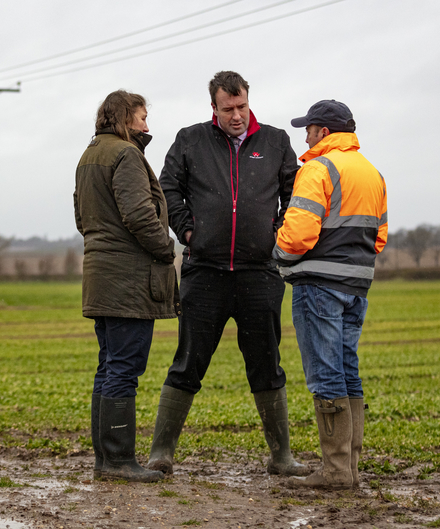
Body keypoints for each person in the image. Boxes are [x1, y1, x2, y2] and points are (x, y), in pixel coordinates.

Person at [146, 71, 310, 477]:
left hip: (260, 273)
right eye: (227, 109)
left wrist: (276, 232)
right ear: (213, 108)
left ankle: (282, 457)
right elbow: (168, 189)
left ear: (248, 101)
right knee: (187, 362)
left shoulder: (275, 141)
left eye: (242, 107)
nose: (236, 116)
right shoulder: (190, 139)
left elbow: (294, 193)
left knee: (267, 363)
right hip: (205, 273)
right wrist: (188, 230)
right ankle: (161, 452)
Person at [274, 100, 388, 489]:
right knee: (347, 370)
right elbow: (380, 237)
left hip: (318, 285)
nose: (304, 134)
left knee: (325, 374)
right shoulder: (372, 173)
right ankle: (349, 468)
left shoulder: (318, 168)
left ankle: (336, 472)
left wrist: (277, 255)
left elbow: (299, 233)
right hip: (357, 287)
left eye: (308, 128)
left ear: (323, 131)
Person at [74, 90, 178, 483]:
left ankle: (106, 460)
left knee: (109, 367)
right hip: (128, 281)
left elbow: (81, 216)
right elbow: (139, 214)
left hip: (100, 275)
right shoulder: (127, 154)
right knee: (123, 370)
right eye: (142, 117)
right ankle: (118, 461)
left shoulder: (89, 156)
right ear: (124, 118)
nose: (147, 126)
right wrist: (166, 249)